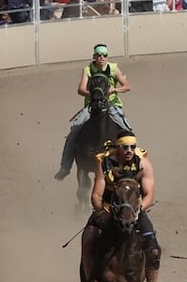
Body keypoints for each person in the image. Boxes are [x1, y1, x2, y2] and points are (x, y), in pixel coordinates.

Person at [80, 130, 165, 282]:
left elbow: (149, 194)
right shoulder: (105, 162)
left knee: (154, 250)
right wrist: (102, 210)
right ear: (117, 148)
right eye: (125, 147)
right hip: (110, 208)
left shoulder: (143, 163)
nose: (129, 150)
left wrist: (137, 212)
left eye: (132, 147)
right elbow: (96, 195)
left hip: (135, 210)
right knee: (89, 237)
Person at [55, 43, 133, 180]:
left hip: (112, 105)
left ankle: (133, 162)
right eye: (98, 55)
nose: (101, 58)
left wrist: (114, 90)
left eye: (104, 55)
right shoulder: (88, 69)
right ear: (94, 56)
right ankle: (65, 166)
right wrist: (95, 94)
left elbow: (127, 86)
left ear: (107, 57)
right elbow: (80, 90)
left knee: (127, 130)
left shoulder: (113, 68)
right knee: (74, 131)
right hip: (91, 105)